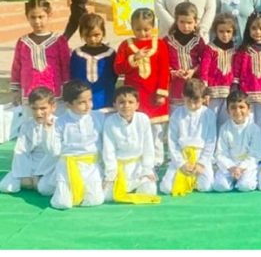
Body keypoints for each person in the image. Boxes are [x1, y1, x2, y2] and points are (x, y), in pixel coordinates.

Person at [114, 8, 170, 166]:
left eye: (146, 29)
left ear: (153, 27)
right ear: (132, 27)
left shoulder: (159, 44)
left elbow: (164, 70)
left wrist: (161, 93)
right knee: (137, 129)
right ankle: (139, 160)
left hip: (154, 95)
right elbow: (118, 69)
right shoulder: (126, 46)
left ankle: (157, 162)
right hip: (135, 96)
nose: (142, 33)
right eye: (138, 29)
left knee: (156, 130)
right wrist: (134, 58)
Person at [50, 80, 105, 210]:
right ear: (68, 104)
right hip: (68, 166)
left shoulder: (99, 117)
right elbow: (54, 150)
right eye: (82, 102)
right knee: (63, 203)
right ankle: (57, 184)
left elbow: (105, 145)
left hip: (92, 166)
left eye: (90, 100)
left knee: (96, 200)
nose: (88, 105)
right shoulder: (60, 122)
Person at [102, 86, 160, 204]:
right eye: (121, 102)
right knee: (106, 196)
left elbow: (148, 147)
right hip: (119, 168)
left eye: (130, 102)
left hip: (138, 166)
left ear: (137, 105)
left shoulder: (143, 119)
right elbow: (109, 150)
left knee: (150, 191)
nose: (126, 105)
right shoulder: (110, 122)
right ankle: (124, 187)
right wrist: (110, 175)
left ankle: (136, 187)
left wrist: (147, 170)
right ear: (115, 105)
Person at [10, 0, 70, 113]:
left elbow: (65, 66)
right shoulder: (23, 42)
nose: (37, 21)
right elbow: (16, 67)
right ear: (27, 17)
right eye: (33, 17)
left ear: (49, 15)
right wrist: (16, 90)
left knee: (54, 124)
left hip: (54, 92)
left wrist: (67, 88)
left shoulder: (59, 40)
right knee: (31, 123)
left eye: (41, 17)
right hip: (29, 92)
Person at [160, 79, 216, 196]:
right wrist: (181, 163)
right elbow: (172, 141)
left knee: (206, 186)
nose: (192, 105)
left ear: (204, 98)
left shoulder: (209, 115)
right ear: (182, 96)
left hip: (200, 156)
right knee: (165, 188)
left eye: (196, 101)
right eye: (188, 101)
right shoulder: (177, 114)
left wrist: (201, 163)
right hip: (182, 155)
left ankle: (194, 178)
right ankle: (186, 176)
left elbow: (211, 141)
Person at [0, 87, 58, 196]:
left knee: (44, 189)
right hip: (30, 165)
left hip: (49, 167)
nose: (38, 112)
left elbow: (54, 153)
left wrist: (47, 130)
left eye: (43, 108)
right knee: (5, 186)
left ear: (53, 107)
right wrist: (24, 175)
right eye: (34, 108)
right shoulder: (27, 125)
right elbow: (21, 150)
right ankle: (29, 181)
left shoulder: (59, 124)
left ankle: (38, 181)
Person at [213, 90, 261, 192]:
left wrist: (241, 168)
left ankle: (245, 179)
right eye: (233, 107)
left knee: (245, 186)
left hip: (247, 166)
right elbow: (221, 153)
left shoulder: (254, 129)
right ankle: (232, 180)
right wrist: (231, 167)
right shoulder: (224, 128)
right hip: (229, 166)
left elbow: (255, 154)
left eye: (241, 107)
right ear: (227, 111)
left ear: (249, 109)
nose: (237, 111)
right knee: (220, 186)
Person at [69, 13, 117, 111]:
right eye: (87, 35)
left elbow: (114, 75)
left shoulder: (110, 53)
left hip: (105, 98)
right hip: (82, 101)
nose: (92, 39)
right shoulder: (77, 53)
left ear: (103, 33)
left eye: (96, 35)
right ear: (81, 34)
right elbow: (73, 76)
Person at [164, 2, 207, 111]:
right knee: (177, 115)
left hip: (194, 85)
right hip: (175, 86)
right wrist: (173, 72)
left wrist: (193, 71)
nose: (185, 26)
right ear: (176, 21)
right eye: (182, 22)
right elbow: (163, 62)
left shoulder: (198, 40)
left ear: (195, 22)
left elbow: (205, 61)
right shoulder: (167, 40)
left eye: (189, 22)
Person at [200, 12, 237, 127]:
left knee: (226, 123)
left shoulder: (236, 50)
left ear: (233, 32)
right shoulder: (210, 49)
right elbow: (204, 71)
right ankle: (210, 145)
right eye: (221, 31)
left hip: (229, 93)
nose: (225, 35)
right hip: (212, 94)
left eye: (228, 31)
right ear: (215, 31)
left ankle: (222, 144)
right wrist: (205, 92)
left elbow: (237, 71)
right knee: (210, 121)